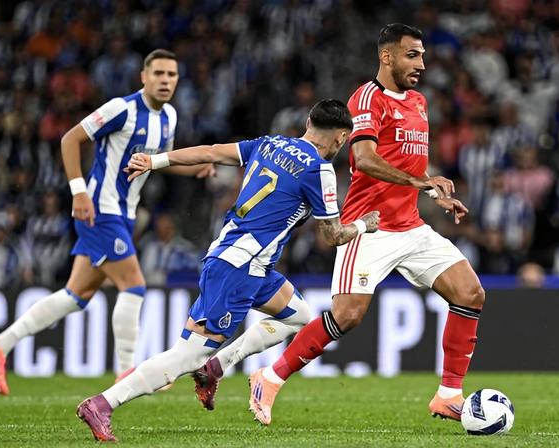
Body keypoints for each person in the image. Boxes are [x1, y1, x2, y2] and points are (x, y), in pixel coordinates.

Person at [76, 99, 380, 441]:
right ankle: (103, 403)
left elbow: (211, 151)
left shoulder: (269, 144)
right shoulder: (320, 170)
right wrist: (364, 226)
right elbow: (332, 235)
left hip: (246, 262)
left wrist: (156, 160)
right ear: (341, 139)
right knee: (186, 355)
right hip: (239, 268)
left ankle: (215, 367)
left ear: (308, 122)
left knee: (299, 315)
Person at [246, 23, 485, 427]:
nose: (422, 64)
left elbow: (410, 162)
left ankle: (449, 395)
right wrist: (418, 181)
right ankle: (268, 377)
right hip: (368, 227)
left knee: (470, 293)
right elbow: (365, 159)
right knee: (348, 315)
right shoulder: (366, 98)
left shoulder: (419, 103)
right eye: (413, 55)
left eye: (423, 55)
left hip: (410, 226)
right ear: (386, 56)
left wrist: (432, 190)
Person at [0, 49, 214, 395]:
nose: (165, 80)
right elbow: (70, 138)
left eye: (172, 75)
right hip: (100, 210)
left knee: (77, 295)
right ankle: (126, 372)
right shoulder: (122, 108)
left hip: (124, 215)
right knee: (134, 285)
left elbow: (158, 160)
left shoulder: (169, 117)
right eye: (158, 73)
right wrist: (78, 192)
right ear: (143, 77)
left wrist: (194, 166)